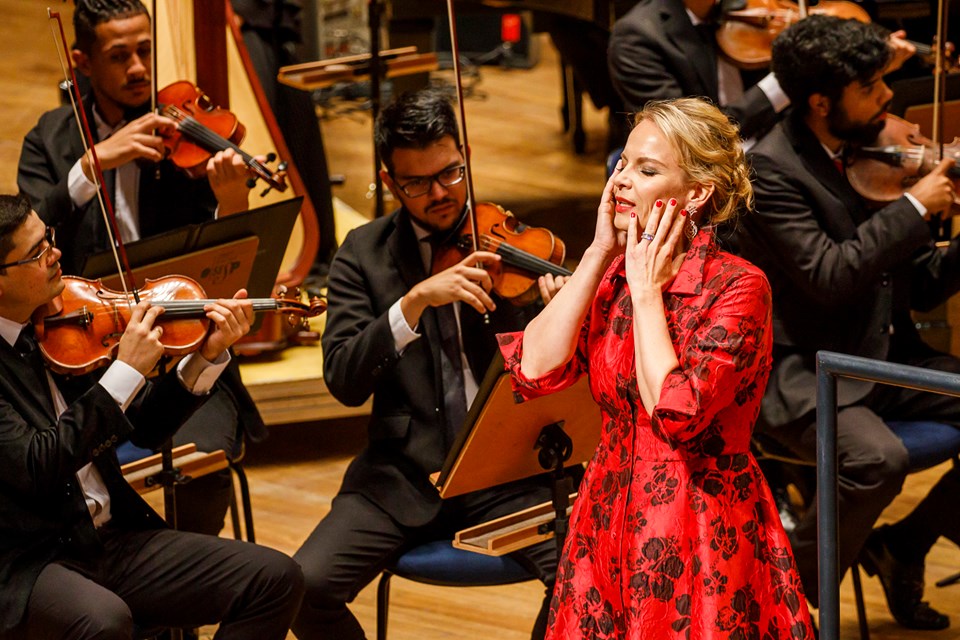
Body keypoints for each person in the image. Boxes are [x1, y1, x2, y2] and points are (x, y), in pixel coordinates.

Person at [497, 97, 813, 639]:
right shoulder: (613, 273)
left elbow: (677, 414)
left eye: (646, 170)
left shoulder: (738, 287)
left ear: (696, 193)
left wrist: (646, 294)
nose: (621, 180)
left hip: (697, 524)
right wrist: (599, 253)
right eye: (622, 164)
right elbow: (533, 369)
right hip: (605, 513)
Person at [292, 87, 567, 640]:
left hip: (511, 469)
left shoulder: (512, 242)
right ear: (390, 181)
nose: (440, 194)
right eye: (417, 184)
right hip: (402, 476)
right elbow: (344, 379)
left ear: (464, 153)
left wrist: (561, 310)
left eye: (451, 173)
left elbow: (570, 364)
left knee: (588, 577)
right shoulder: (361, 256)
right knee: (303, 589)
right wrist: (410, 305)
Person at [736, 14, 960, 631]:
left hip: (880, 353)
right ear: (819, 102)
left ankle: (904, 545)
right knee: (876, 459)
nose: (889, 97)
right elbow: (831, 277)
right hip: (807, 367)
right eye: (871, 87)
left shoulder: (870, 150)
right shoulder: (771, 173)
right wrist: (916, 207)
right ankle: (784, 589)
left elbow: (919, 285)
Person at [0, 193, 304, 639]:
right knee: (105, 622)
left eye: (48, 238)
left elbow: (146, 431)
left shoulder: (61, 323)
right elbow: (38, 463)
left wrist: (204, 359)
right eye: (37, 253)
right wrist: (124, 371)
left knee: (275, 579)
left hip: (109, 539)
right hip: (29, 563)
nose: (56, 254)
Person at [17, 0, 267, 536]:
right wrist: (91, 166)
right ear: (82, 62)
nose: (138, 68)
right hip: (88, 358)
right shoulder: (51, 139)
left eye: (146, 51)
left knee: (203, 464)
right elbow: (27, 234)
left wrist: (231, 202)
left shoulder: (183, 136)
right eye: (120, 55)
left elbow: (224, 267)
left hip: (186, 344)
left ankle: (186, 592)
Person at [607, 0, 915, 147]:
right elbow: (697, 134)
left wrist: (863, 65)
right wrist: (792, 72)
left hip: (782, 145)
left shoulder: (757, 9)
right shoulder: (637, 38)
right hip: (707, 173)